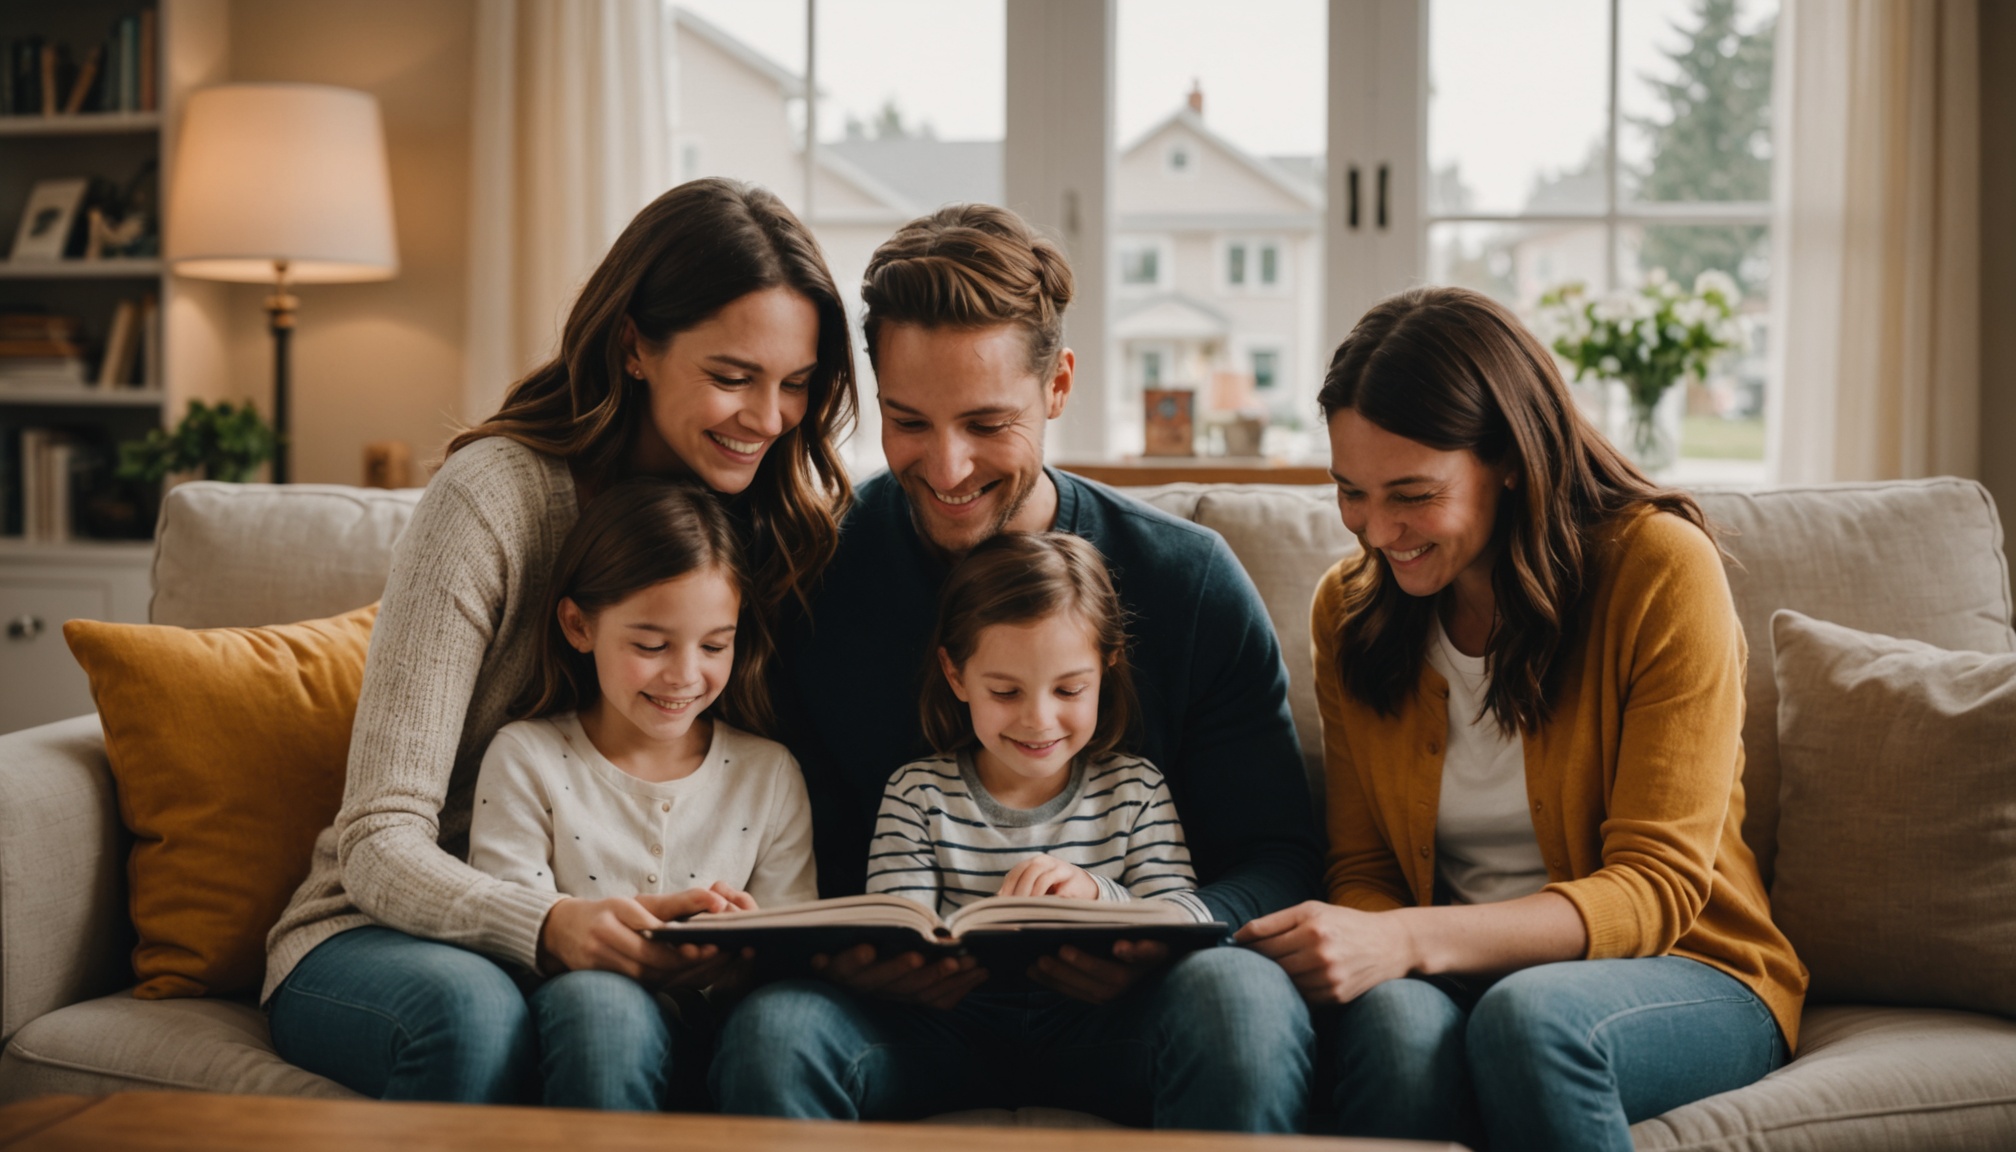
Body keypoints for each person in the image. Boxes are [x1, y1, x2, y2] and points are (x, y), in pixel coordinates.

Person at [710, 204, 1320, 1132]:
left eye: (988, 423)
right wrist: (838, 951)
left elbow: (1278, 855)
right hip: (903, 1016)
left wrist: (1164, 935)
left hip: (1134, 1010)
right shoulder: (812, 574)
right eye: (909, 422)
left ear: (1060, 384)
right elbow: (770, 831)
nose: (947, 468)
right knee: (773, 1034)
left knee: (1241, 1001)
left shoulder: (1187, 581)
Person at [263, 178, 857, 1104]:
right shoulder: (493, 501)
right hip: (390, 930)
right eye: (732, 377)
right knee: (473, 1018)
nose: (768, 419)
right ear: (635, 347)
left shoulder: (777, 522)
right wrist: (547, 922)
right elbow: (381, 835)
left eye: (795, 385)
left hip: (631, 948)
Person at [1236, 286, 1806, 1151]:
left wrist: (1405, 942)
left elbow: (1657, 888)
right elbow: (1364, 865)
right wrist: (1381, 946)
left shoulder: (1659, 568)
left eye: (1413, 494)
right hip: (1452, 972)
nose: (1378, 530)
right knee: (1391, 1031)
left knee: (1530, 1018)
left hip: (1687, 968)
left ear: (1506, 457)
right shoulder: (1349, 609)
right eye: (1351, 492)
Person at [468, 477, 817, 1111]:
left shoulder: (768, 773)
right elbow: (509, 934)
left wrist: (745, 953)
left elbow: (795, 947)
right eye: (651, 645)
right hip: (589, 1025)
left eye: (715, 645)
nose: (685, 675)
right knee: (601, 1006)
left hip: (726, 1029)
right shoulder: (527, 758)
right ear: (578, 625)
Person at [865, 530, 1197, 914]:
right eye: (1006, 692)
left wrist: (1094, 893)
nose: (1039, 721)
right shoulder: (918, 796)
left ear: (1107, 668)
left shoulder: (1135, 791)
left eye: (1069, 690)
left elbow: (1180, 917)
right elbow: (900, 934)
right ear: (955, 676)